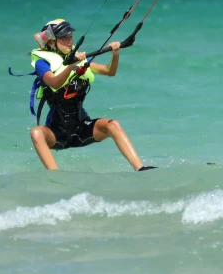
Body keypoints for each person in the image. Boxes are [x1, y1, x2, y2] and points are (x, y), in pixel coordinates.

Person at [28, 18, 155, 171]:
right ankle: (56, 177)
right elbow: (54, 83)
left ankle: (140, 168)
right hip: (57, 132)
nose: (69, 41)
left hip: (82, 127)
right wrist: (71, 66)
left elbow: (110, 71)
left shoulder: (80, 59)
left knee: (113, 125)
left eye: (70, 36)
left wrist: (115, 54)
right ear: (51, 41)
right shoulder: (42, 62)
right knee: (36, 133)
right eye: (63, 37)